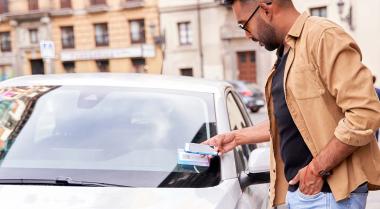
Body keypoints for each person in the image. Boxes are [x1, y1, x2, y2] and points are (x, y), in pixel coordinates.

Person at [203, 0, 380, 208]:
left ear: (266, 8)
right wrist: (236, 137)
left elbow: (365, 112)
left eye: (244, 25)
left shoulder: (322, 36)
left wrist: (316, 169)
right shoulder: (285, 52)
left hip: (328, 195)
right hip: (302, 193)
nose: (247, 35)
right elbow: (292, 121)